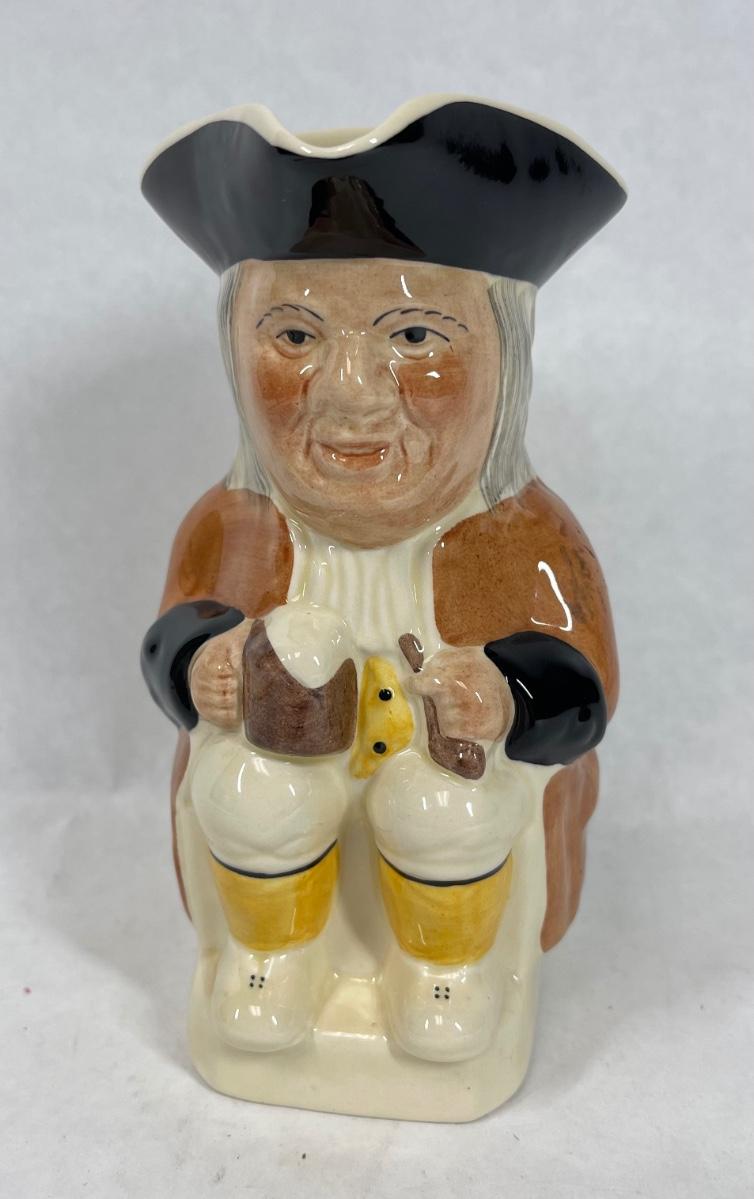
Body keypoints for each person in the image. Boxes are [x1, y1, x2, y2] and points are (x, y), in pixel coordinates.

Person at [140, 96, 625, 1083]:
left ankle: (448, 975)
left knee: (446, 806)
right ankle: (271, 959)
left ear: (503, 359)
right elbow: (176, 633)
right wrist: (203, 665)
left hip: (450, 794)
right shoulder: (236, 525)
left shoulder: (524, 539)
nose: (350, 391)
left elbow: (580, 692)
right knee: (249, 787)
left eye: (412, 335)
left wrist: (504, 694)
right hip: (283, 795)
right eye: (293, 336)